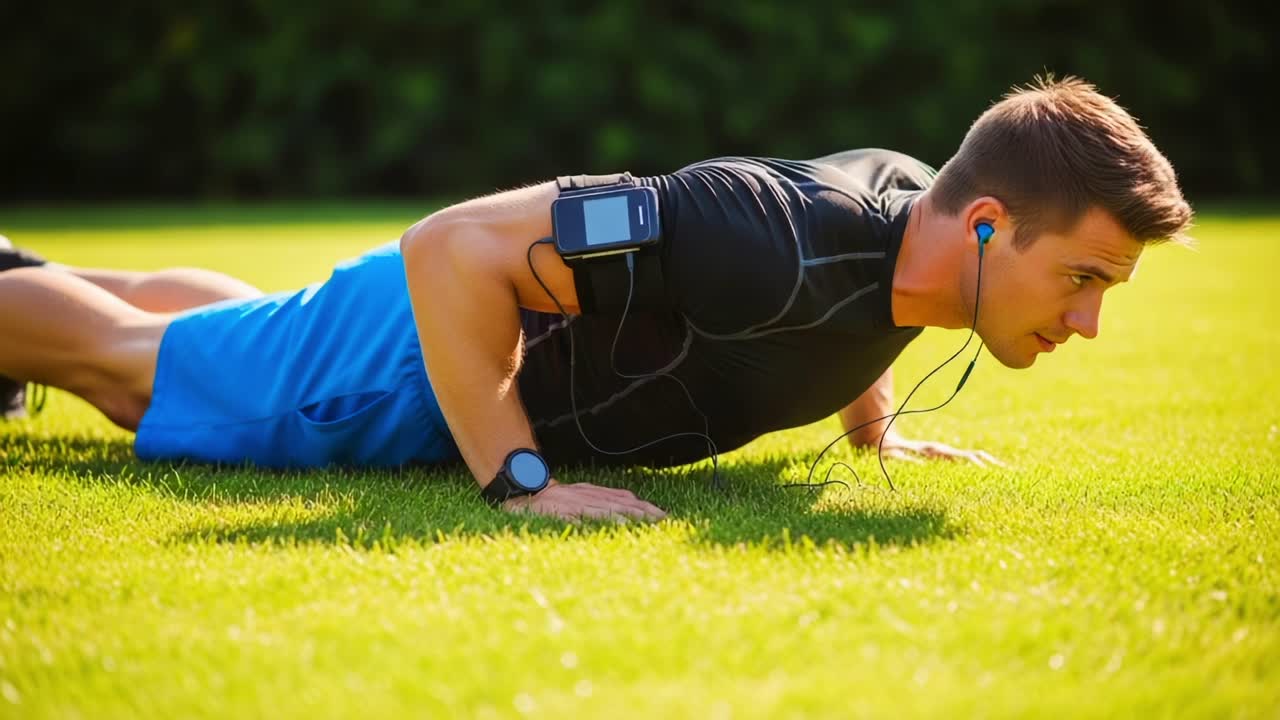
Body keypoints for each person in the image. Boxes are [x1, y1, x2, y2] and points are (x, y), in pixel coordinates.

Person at [0, 74, 1193, 522]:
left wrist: (875, 431)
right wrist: (521, 484)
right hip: (427, 368)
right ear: (985, 226)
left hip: (400, 341)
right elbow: (452, 251)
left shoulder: (913, 217)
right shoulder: (757, 239)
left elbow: (866, 303)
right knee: (129, 372)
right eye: (1081, 278)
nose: (1086, 321)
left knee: (237, 333)